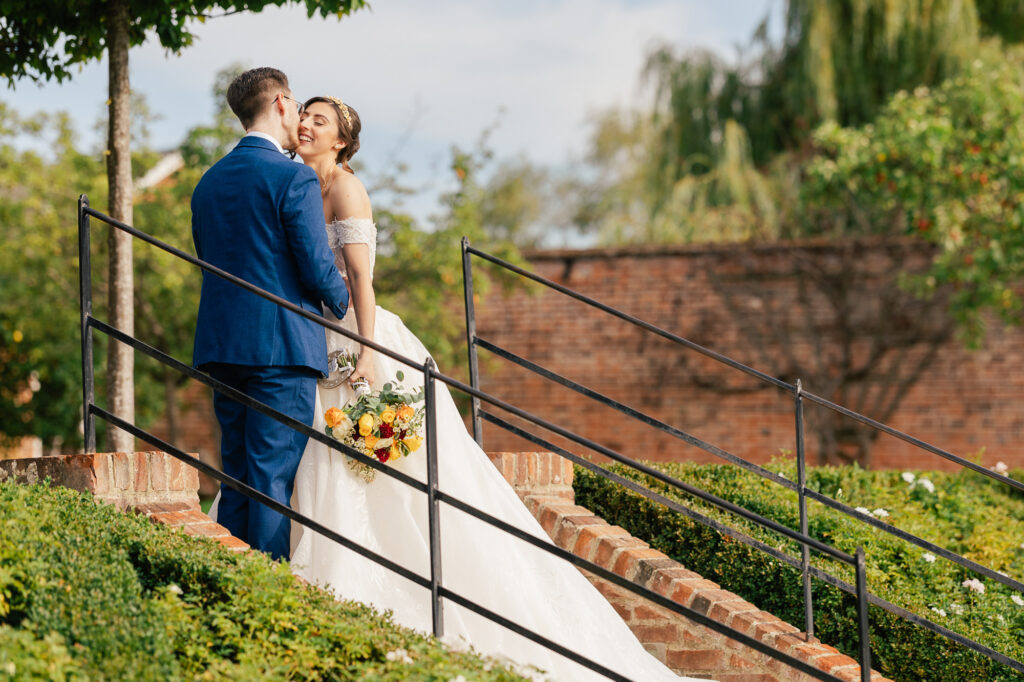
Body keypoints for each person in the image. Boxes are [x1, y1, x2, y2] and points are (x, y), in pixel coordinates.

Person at [288, 95, 691, 681]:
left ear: (342, 141)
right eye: (303, 114)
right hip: (314, 338)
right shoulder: (300, 184)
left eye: (318, 120)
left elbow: (360, 278)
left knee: (394, 471)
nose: (305, 123)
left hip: (358, 338)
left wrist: (370, 352)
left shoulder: (347, 189)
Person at [192, 69, 349, 561]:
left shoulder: (208, 182)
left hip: (223, 347)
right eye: (296, 105)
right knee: (271, 479)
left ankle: (233, 587)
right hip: (281, 349)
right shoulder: (292, 175)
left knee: (237, 478)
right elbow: (314, 263)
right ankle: (267, 593)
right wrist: (343, 298)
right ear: (281, 102)